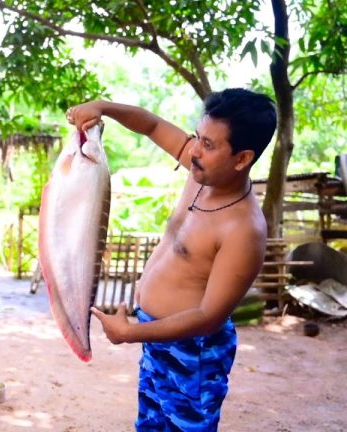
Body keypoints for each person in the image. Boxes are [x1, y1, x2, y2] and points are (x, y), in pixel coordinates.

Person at [66, 88, 277, 431]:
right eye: (197, 136)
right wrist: (102, 107)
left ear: (242, 159)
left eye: (208, 145)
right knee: (150, 425)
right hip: (157, 340)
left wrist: (129, 333)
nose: (193, 150)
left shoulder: (244, 230)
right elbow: (150, 125)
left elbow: (209, 317)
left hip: (193, 355)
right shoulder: (202, 174)